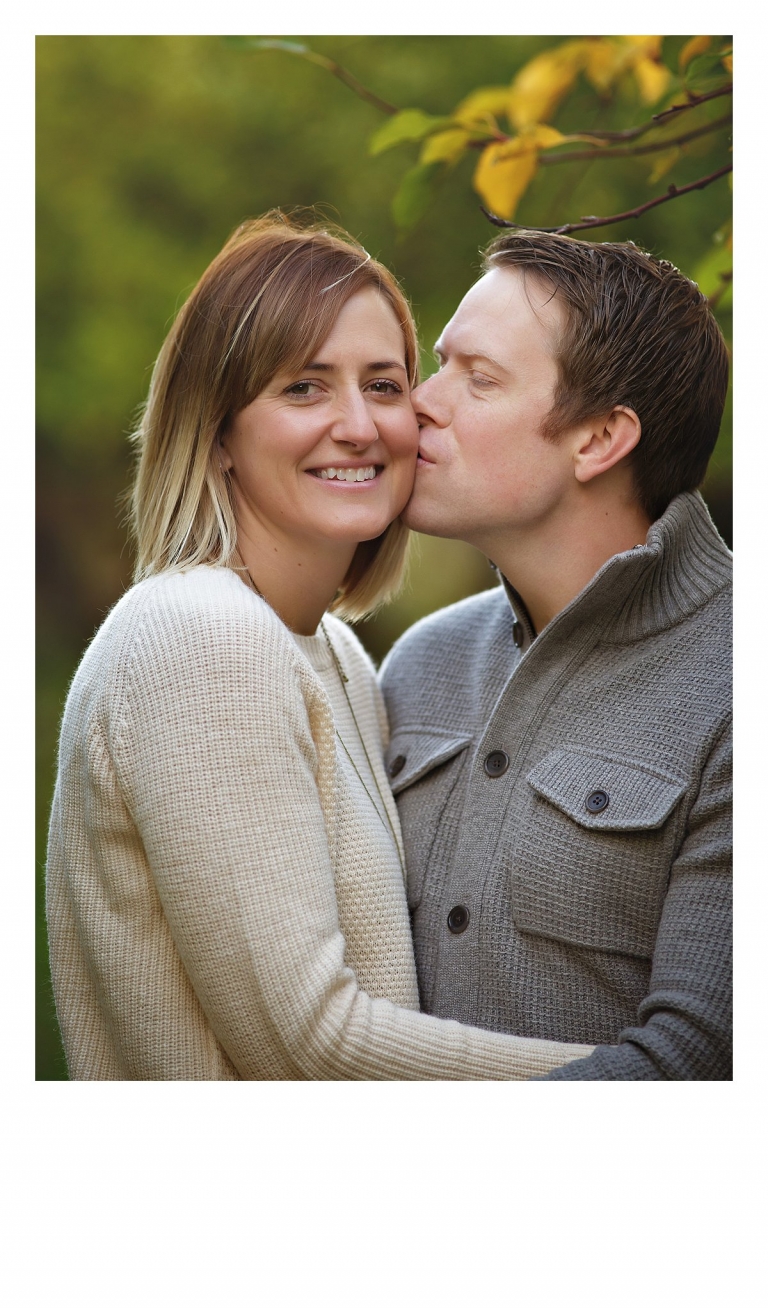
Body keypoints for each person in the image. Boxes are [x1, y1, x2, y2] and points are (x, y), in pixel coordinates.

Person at [46, 213, 594, 1080]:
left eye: (383, 385)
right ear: (219, 431)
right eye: (304, 388)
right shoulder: (200, 639)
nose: (359, 425)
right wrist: (645, 1087)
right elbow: (307, 1042)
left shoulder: (332, 653)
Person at [380, 229, 732, 1081]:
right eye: (439, 365)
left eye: (479, 379)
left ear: (598, 438)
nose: (419, 402)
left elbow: (693, 1067)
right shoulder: (418, 666)